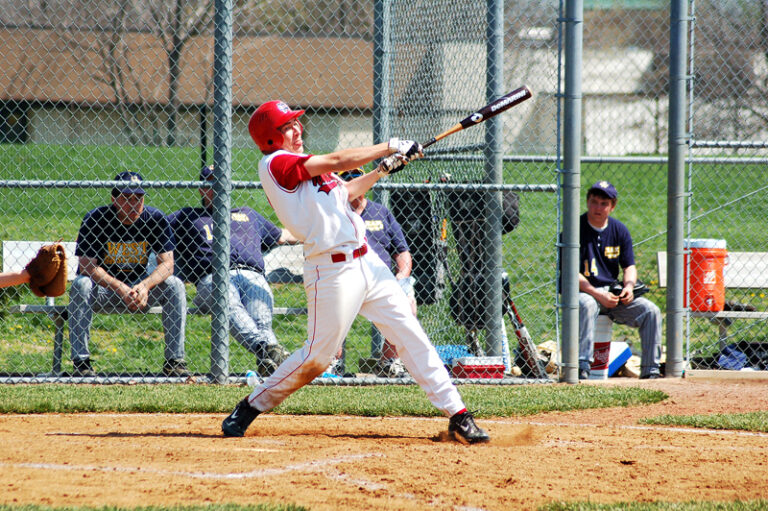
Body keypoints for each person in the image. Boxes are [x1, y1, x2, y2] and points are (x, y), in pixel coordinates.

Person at [221, 100, 490, 444]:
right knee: (317, 358)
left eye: (296, 124)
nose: (298, 130)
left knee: (411, 335)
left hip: (368, 263)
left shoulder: (303, 166)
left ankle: (459, 414)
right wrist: (389, 145)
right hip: (331, 272)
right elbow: (337, 160)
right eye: (287, 127)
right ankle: (250, 406)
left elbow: (345, 191)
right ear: (270, 138)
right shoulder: (276, 164)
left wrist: (382, 170)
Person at [168, 164, 296, 377]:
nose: (218, 187)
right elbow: (154, 227)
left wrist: (317, 236)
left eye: (222, 182)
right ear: (201, 189)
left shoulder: (248, 214)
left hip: (252, 274)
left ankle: (271, 362)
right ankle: (270, 351)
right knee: (227, 300)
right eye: (211, 183)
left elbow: (282, 235)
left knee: (261, 318)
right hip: (213, 278)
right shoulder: (188, 216)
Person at [68, 171, 188, 377]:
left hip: (140, 291)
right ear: (114, 199)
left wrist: (144, 286)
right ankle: (81, 363)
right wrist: (120, 287)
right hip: (105, 292)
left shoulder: (155, 218)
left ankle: (174, 361)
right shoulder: (95, 219)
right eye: (127, 198)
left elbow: (168, 264)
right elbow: (87, 266)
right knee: (81, 284)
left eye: (138, 198)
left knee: (174, 284)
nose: (134, 204)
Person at [330, 167, 416, 378]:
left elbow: (402, 252)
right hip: (346, 277)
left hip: (382, 280)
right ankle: (333, 363)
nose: (353, 181)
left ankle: (389, 363)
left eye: (358, 178)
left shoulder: (381, 212)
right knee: (333, 309)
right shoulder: (334, 214)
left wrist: (401, 276)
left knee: (408, 304)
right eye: (347, 178)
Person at [577, 180, 662, 380]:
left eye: (604, 204)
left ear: (612, 206)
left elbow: (629, 266)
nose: (598, 207)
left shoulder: (619, 230)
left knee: (651, 311)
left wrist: (629, 287)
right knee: (587, 304)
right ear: (587, 201)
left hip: (613, 295)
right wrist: (597, 293)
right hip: (585, 293)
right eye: (594, 202)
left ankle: (651, 369)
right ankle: (582, 365)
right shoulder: (576, 228)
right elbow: (571, 272)